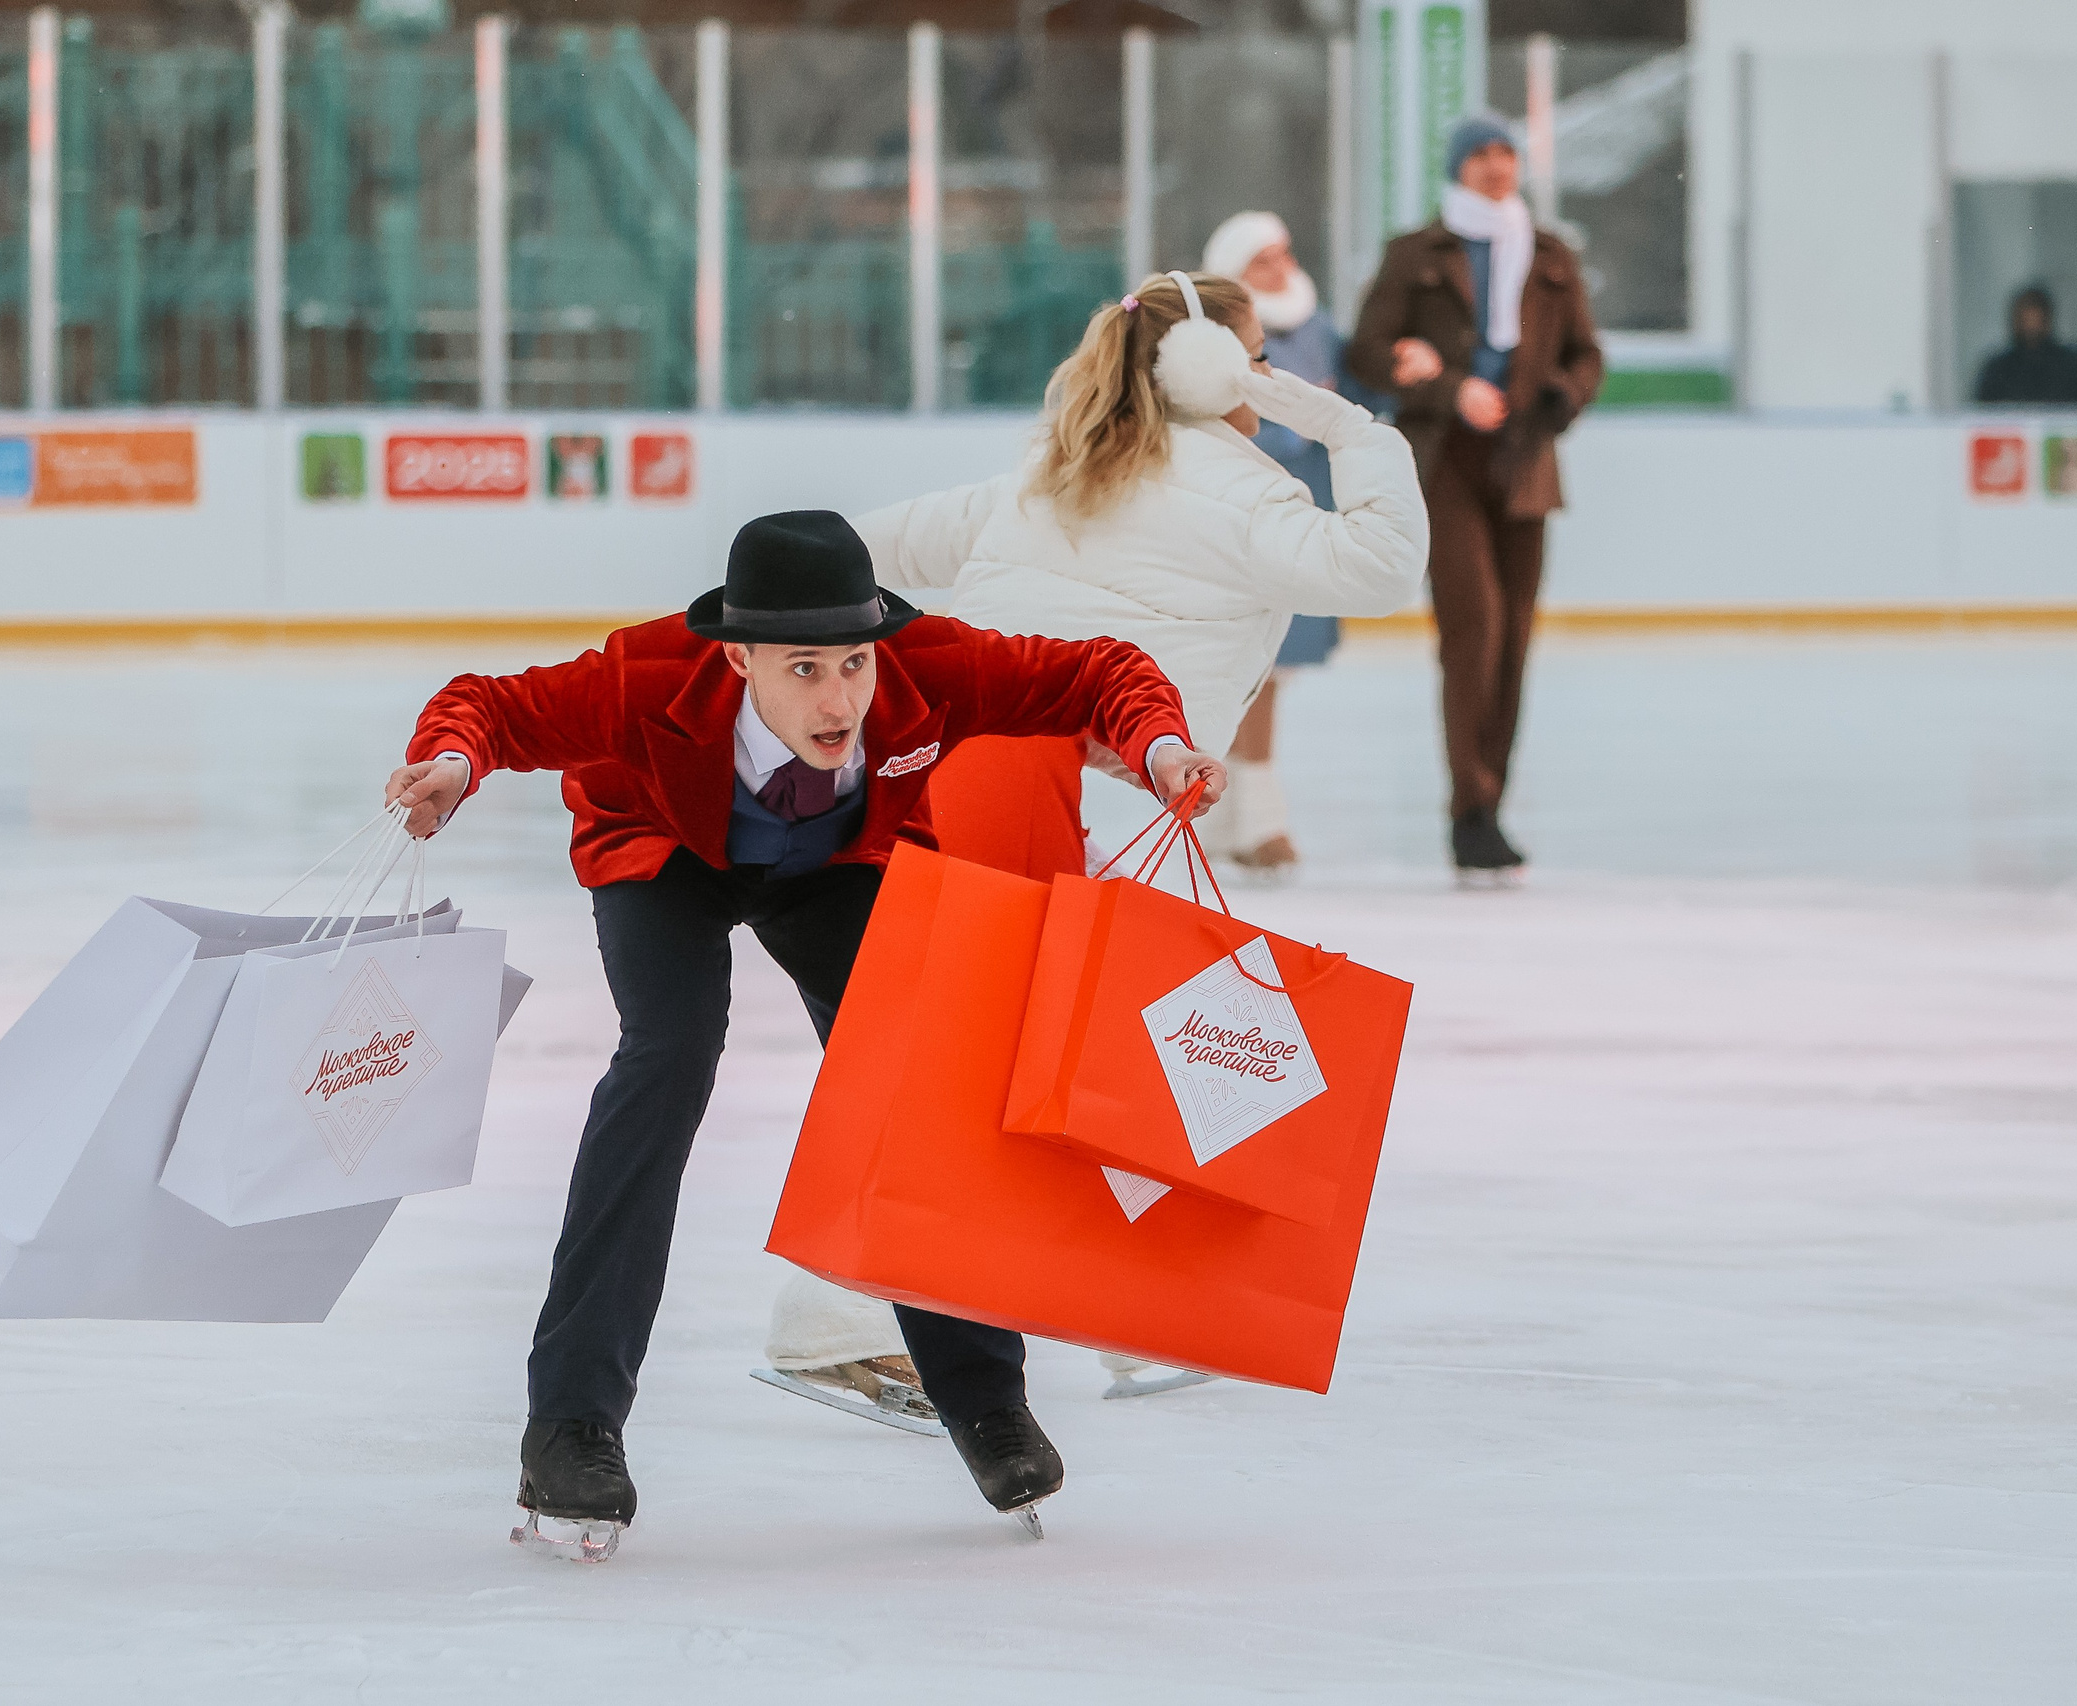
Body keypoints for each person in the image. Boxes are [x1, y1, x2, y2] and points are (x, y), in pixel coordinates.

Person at [386, 510, 1223, 1557]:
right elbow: (488, 708)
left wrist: (1159, 743)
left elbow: (1100, 673)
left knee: (916, 1074)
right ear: (736, 657)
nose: (840, 698)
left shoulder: (930, 671)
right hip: (665, 855)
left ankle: (980, 1394)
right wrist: (452, 765)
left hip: (835, 865)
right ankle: (571, 1423)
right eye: (805, 668)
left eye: (855, 664)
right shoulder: (643, 678)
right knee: (667, 1057)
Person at [759, 268, 1428, 1408]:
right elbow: (1381, 565)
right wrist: (1345, 419)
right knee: (999, 1052)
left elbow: (867, 549)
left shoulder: (1055, 467)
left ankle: (1106, 1311)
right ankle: (836, 1318)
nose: (1267, 381)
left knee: (1024, 1044)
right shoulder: (1234, 489)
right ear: (1217, 369)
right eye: (1254, 359)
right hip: (1006, 774)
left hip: (942, 759)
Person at [1351, 112, 1603, 886]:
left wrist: (1561, 394)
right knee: (1476, 631)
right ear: (1457, 166)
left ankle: (1491, 804)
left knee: (1516, 640)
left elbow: (1587, 355)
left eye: (1506, 153)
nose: (1496, 166)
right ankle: (1469, 805)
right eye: (1481, 155)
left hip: (1525, 461)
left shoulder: (1552, 254)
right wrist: (1448, 386)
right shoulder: (1417, 254)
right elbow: (1364, 353)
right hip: (1445, 464)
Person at [1200, 210, 1354, 874]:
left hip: (1307, 512)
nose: (1281, 267)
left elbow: (1356, 392)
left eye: (1284, 252)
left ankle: (1234, 818)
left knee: (1272, 670)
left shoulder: (1316, 329)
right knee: (1251, 666)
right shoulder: (1215, 339)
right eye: (1263, 259)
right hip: (1244, 513)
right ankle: (1255, 819)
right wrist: (1304, 417)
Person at [1974, 284, 2077, 407]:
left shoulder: (2076, 367)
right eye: (2025, 320)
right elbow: (1983, 417)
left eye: (2036, 320)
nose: (2031, 327)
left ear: (2048, 320)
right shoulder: (1997, 370)